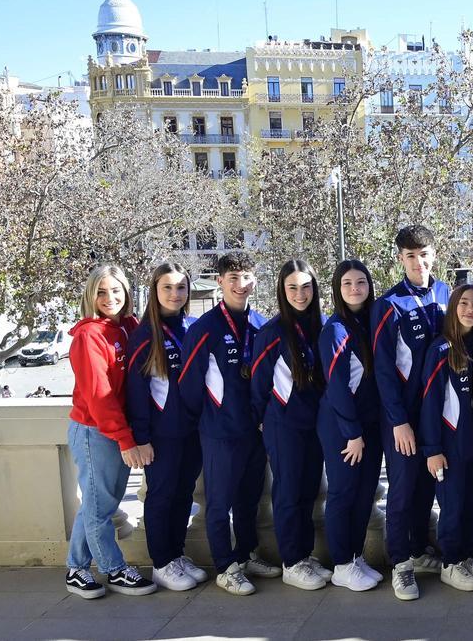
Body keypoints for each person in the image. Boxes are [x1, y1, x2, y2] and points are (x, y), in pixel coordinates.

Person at [179, 251, 279, 595]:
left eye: (246, 277)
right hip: (221, 433)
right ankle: (225, 566)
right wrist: (211, 420)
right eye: (233, 278)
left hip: (255, 431)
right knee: (219, 503)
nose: (240, 284)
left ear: (255, 280)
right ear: (220, 281)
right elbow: (189, 386)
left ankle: (246, 554)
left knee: (249, 499)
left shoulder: (261, 324)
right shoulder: (204, 328)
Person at [64, 264, 157, 599]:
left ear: (127, 293)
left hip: (115, 430)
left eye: (116, 290)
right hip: (95, 432)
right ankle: (113, 569)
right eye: (101, 292)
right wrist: (126, 439)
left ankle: (76, 568)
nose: (109, 298)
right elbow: (100, 396)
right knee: (100, 507)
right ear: (91, 295)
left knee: (98, 502)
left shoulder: (128, 327)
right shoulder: (89, 336)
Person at [372, 225, 451, 600]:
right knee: (401, 491)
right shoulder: (388, 305)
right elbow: (383, 370)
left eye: (424, 254)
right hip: (404, 417)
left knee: (426, 488)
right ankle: (400, 564)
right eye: (411, 256)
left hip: (438, 415)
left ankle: (419, 550)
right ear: (400, 259)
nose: (419, 262)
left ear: (434, 253)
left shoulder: (446, 293)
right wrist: (398, 421)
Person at [125, 262, 206, 591]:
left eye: (181, 287)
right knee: (161, 496)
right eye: (167, 287)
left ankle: (176, 554)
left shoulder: (192, 326)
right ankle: (161, 563)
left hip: (192, 432)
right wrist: (141, 438)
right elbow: (136, 391)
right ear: (155, 291)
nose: (175, 293)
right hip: (161, 435)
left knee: (184, 493)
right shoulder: (145, 334)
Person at [250, 260, 328, 591]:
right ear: (282, 290)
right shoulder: (271, 332)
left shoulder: (322, 325)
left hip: (315, 426)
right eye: (292, 287)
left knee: (309, 491)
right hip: (284, 427)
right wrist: (262, 423)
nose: (300, 294)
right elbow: (258, 384)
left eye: (306, 286)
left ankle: (304, 555)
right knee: (288, 492)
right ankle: (291, 561)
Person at [421, 284, 473, 593]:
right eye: (463, 303)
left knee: (471, 504)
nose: (470, 310)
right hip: (449, 446)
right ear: (453, 307)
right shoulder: (441, 350)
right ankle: (450, 563)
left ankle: (465, 556)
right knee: (451, 506)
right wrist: (432, 449)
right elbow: (429, 404)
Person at [318, 260, 384, 591]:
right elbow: (337, 388)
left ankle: (356, 557)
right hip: (343, 428)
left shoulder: (370, 323)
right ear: (337, 289)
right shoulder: (335, 330)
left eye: (361, 282)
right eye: (347, 283)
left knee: (364, 494)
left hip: (370, 425)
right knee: (343, 493)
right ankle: (342, 563)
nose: (355, 288)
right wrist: (353, 433)